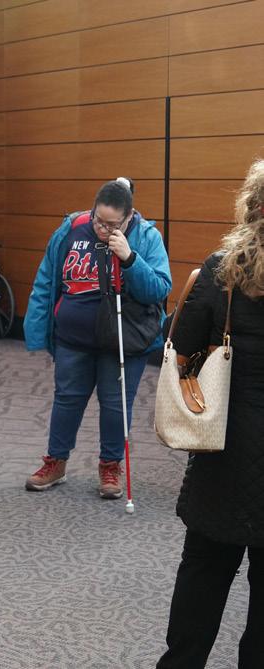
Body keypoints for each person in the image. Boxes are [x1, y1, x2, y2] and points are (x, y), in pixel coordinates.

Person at [156, 160, 264, 668]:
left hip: (226, 449)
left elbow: (179, 348)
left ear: (251, 206)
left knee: (203, 570)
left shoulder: (222, 271)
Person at [23, 178, 172, 498]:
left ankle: (110, 466)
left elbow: (159, 289)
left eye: (112, 224)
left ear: (129, 217)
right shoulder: (72, 228)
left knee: (116, 404)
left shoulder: (146, 237)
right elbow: (46, 278)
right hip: (72, 338)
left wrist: (130, 259)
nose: (102, 229)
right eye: (98, 220)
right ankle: (56, 461)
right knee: (66, 399)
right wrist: (36, 329)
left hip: (122, 339)